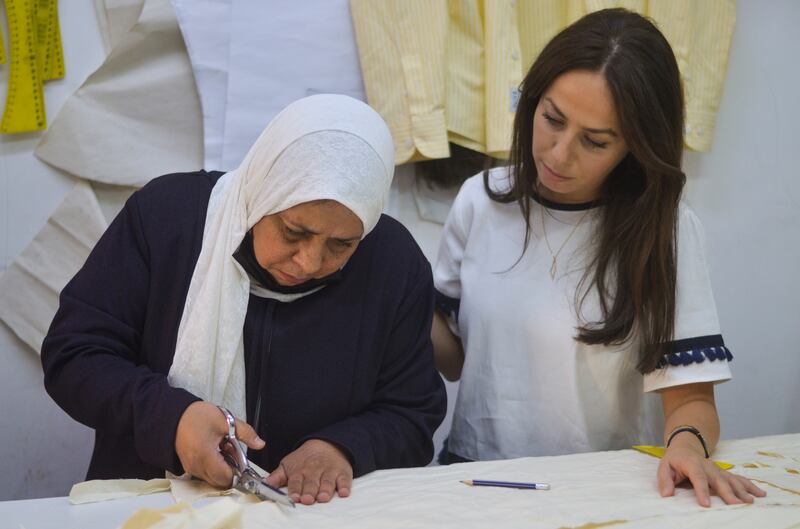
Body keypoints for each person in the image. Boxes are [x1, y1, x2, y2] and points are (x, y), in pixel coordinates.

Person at [41, 94, 446, 506]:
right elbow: (75, 355)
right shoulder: (167, 222)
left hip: (310, 514)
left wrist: (342, 447)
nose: (308, 262)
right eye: (293, 231)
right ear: (263, 192)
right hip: (152, 507)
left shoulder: (393, 265)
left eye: (341, 244)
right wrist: (171, 419)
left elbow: (412, 411)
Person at [431, 8, 765, 507]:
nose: (559, 154)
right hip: (479, 477)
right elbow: (454, 361)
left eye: (595, 141)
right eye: (552, 119)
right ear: (532, 101)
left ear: (635, 146)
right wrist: (386, 288)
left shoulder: (665, 230)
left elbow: (691, 399)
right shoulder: (479, 200)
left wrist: (688, 446)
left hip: (603, 488)